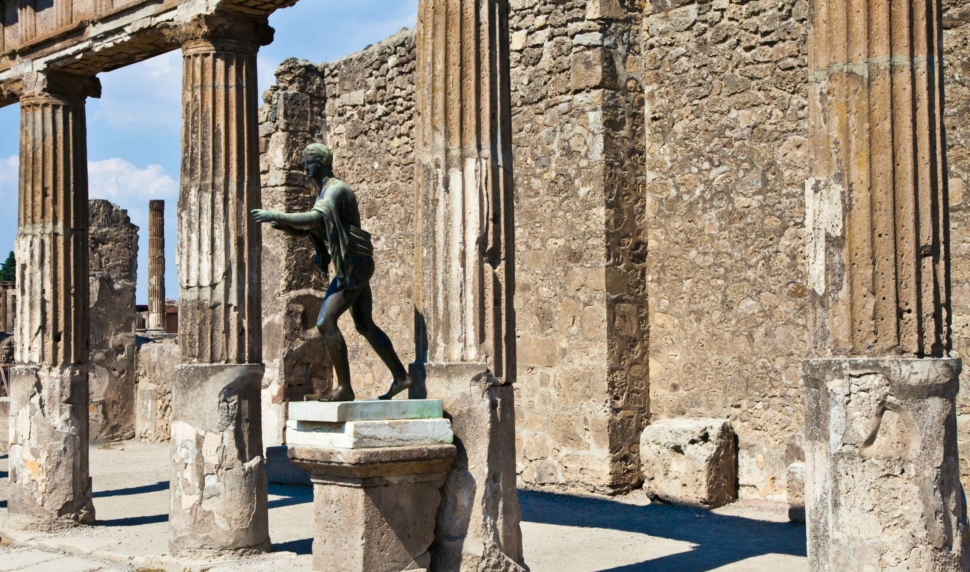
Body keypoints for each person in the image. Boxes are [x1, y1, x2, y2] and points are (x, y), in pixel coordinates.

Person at [251, 143, 413, 402]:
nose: (305, 167)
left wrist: (275, 212)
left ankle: (345, 387)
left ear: (323, 163)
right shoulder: (324, 192)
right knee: (364, 324)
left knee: (325, 321)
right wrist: (282, 225)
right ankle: (401, 376)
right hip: (354, 263)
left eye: (309, 162)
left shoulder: (336, 190)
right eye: (304, 162)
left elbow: (314, 220)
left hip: (353, 265)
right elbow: (313, 230)